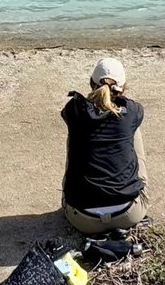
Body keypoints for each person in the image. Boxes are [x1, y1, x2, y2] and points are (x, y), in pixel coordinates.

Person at [61, 56, 149, 235]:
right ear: (123, 88)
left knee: (77, 135)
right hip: (129, 214)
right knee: (132, 131)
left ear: (90, 83)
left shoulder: (74, 110)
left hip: (83, 219)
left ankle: (83, 193)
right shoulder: (133, 111)